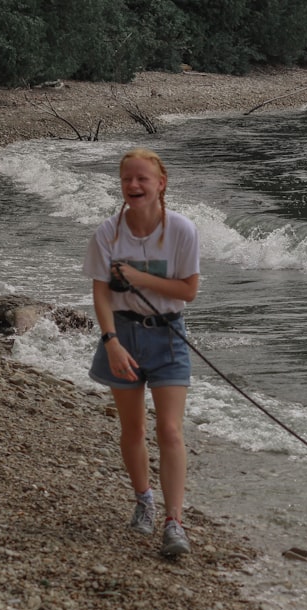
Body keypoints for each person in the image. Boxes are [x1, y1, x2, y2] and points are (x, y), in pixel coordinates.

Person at [82, 148, 200, 556]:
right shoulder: (107, 233)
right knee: (132, 430)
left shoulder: (181, 231)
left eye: (142, 179)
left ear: (160, 184)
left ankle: (174, 522)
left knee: (169, 429)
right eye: (127, 179)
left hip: (168, 336)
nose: (133, 185)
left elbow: (189, 290)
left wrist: (134, 277)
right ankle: (144, 501)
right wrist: (110, 341)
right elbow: (99, 292)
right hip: (123, 337)